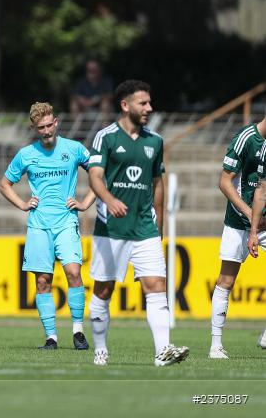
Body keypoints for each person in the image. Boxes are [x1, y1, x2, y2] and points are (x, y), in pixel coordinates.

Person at [87, 79, 189, 366]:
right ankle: (101, 349)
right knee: (103, 290)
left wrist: (159, 226)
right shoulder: (105, 137)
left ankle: (163, 352)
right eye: (143, 103)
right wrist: (109, 200)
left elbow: (158, 183)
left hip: (144, 226)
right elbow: (95, 176)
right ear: (125, 105)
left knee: (156, 285)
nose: (149, 108)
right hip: (112, 229)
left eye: (149, 102)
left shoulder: (154, 141)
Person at [0, 102, 96, 350]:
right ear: (35, 128)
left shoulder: (73, 149)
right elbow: (4, 184)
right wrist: (22, 204)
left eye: (49, 125)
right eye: (40, 127)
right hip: (39, 226)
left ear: (56, 123)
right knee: (43, 281)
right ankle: (51, 337)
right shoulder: (27, 154)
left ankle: (78, 332)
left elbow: (98, 172)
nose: (46, 130)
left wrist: (85, 202)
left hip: (66, 222)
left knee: (74, 273)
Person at [210, 115, 266, 357]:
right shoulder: (246, 138)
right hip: (238, 220)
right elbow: (224, 182)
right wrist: (249, 215)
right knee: (227, 280)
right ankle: (215, 345)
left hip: (263, 221)